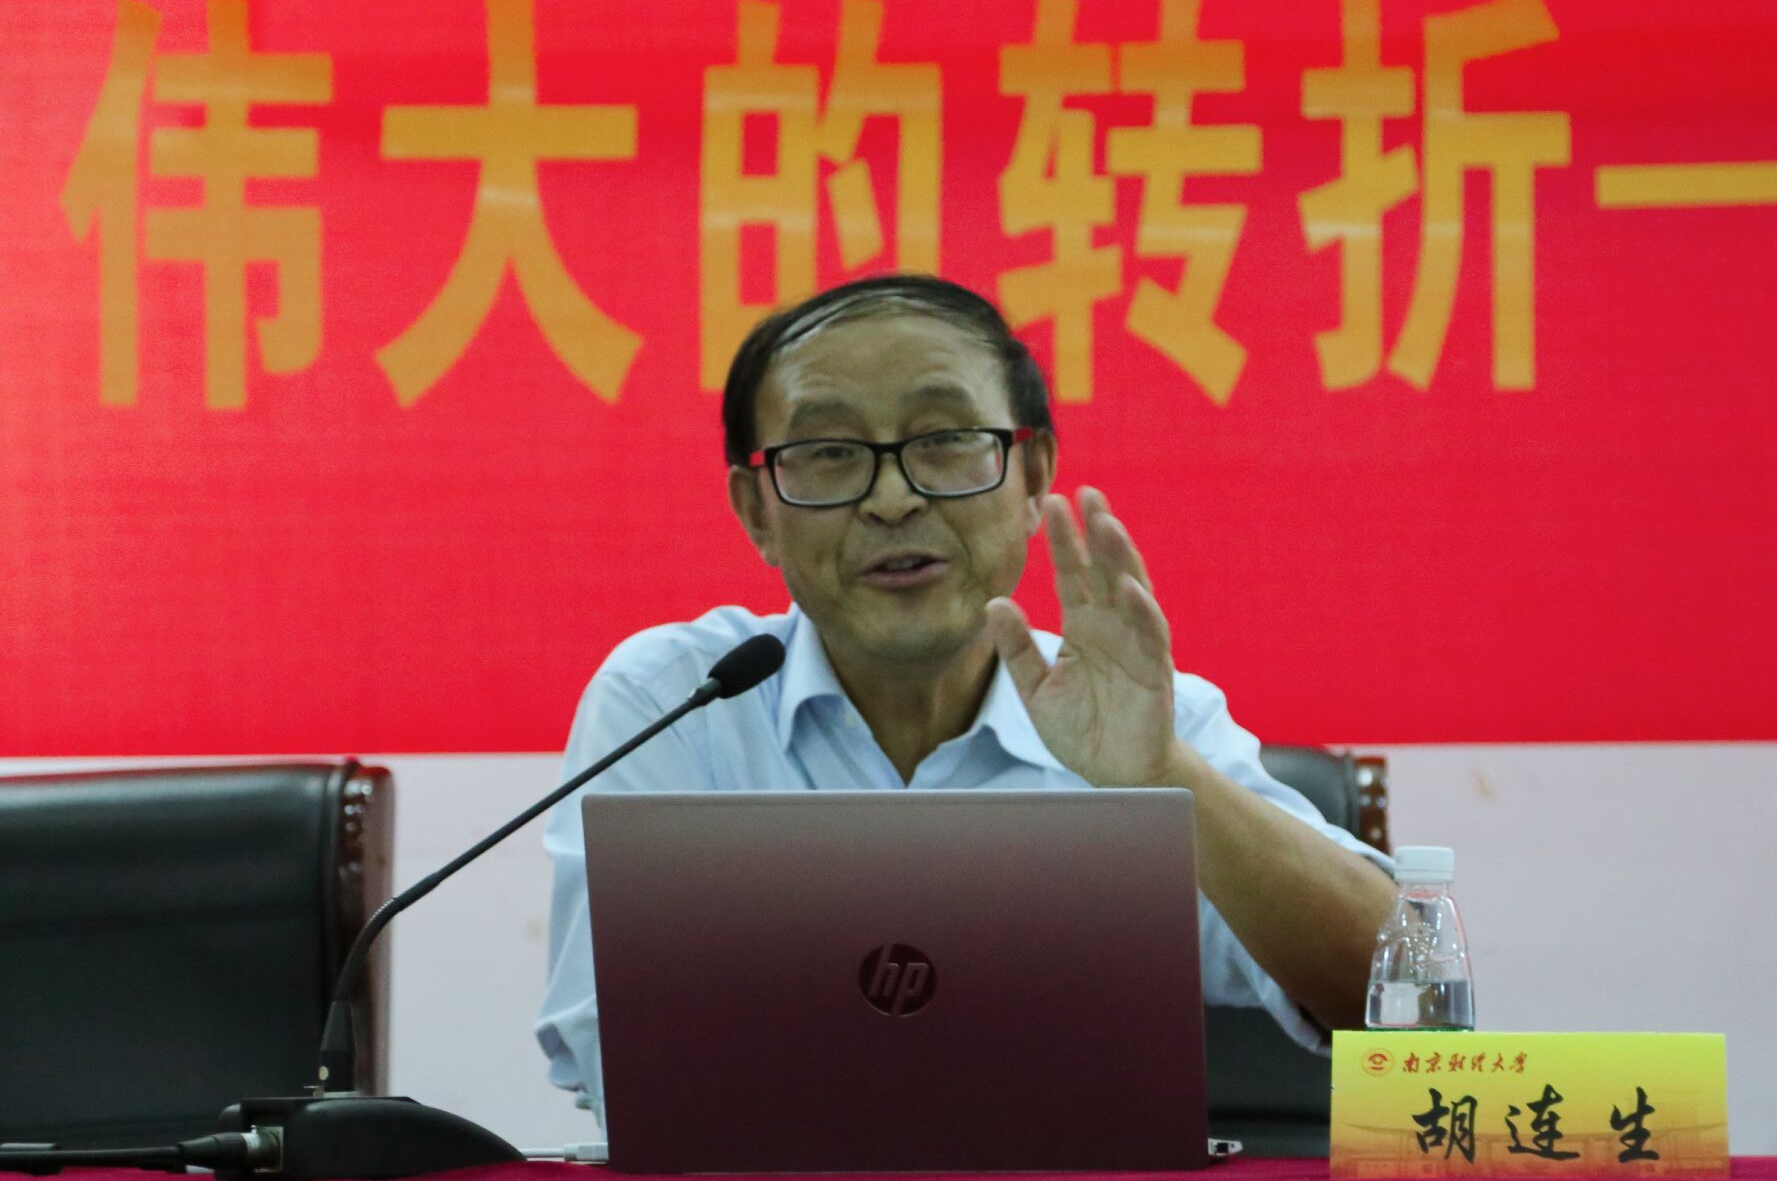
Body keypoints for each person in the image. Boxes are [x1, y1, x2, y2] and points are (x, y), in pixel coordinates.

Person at [536, 274, 1395, 1121]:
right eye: (829, 452)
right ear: (757, 511)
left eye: (945, 439)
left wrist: (1166, 778)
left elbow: (1403, 998)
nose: (893, 498)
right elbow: (608, 1045)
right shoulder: (677, 705)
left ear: (1033, 474)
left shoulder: (1140, 717)